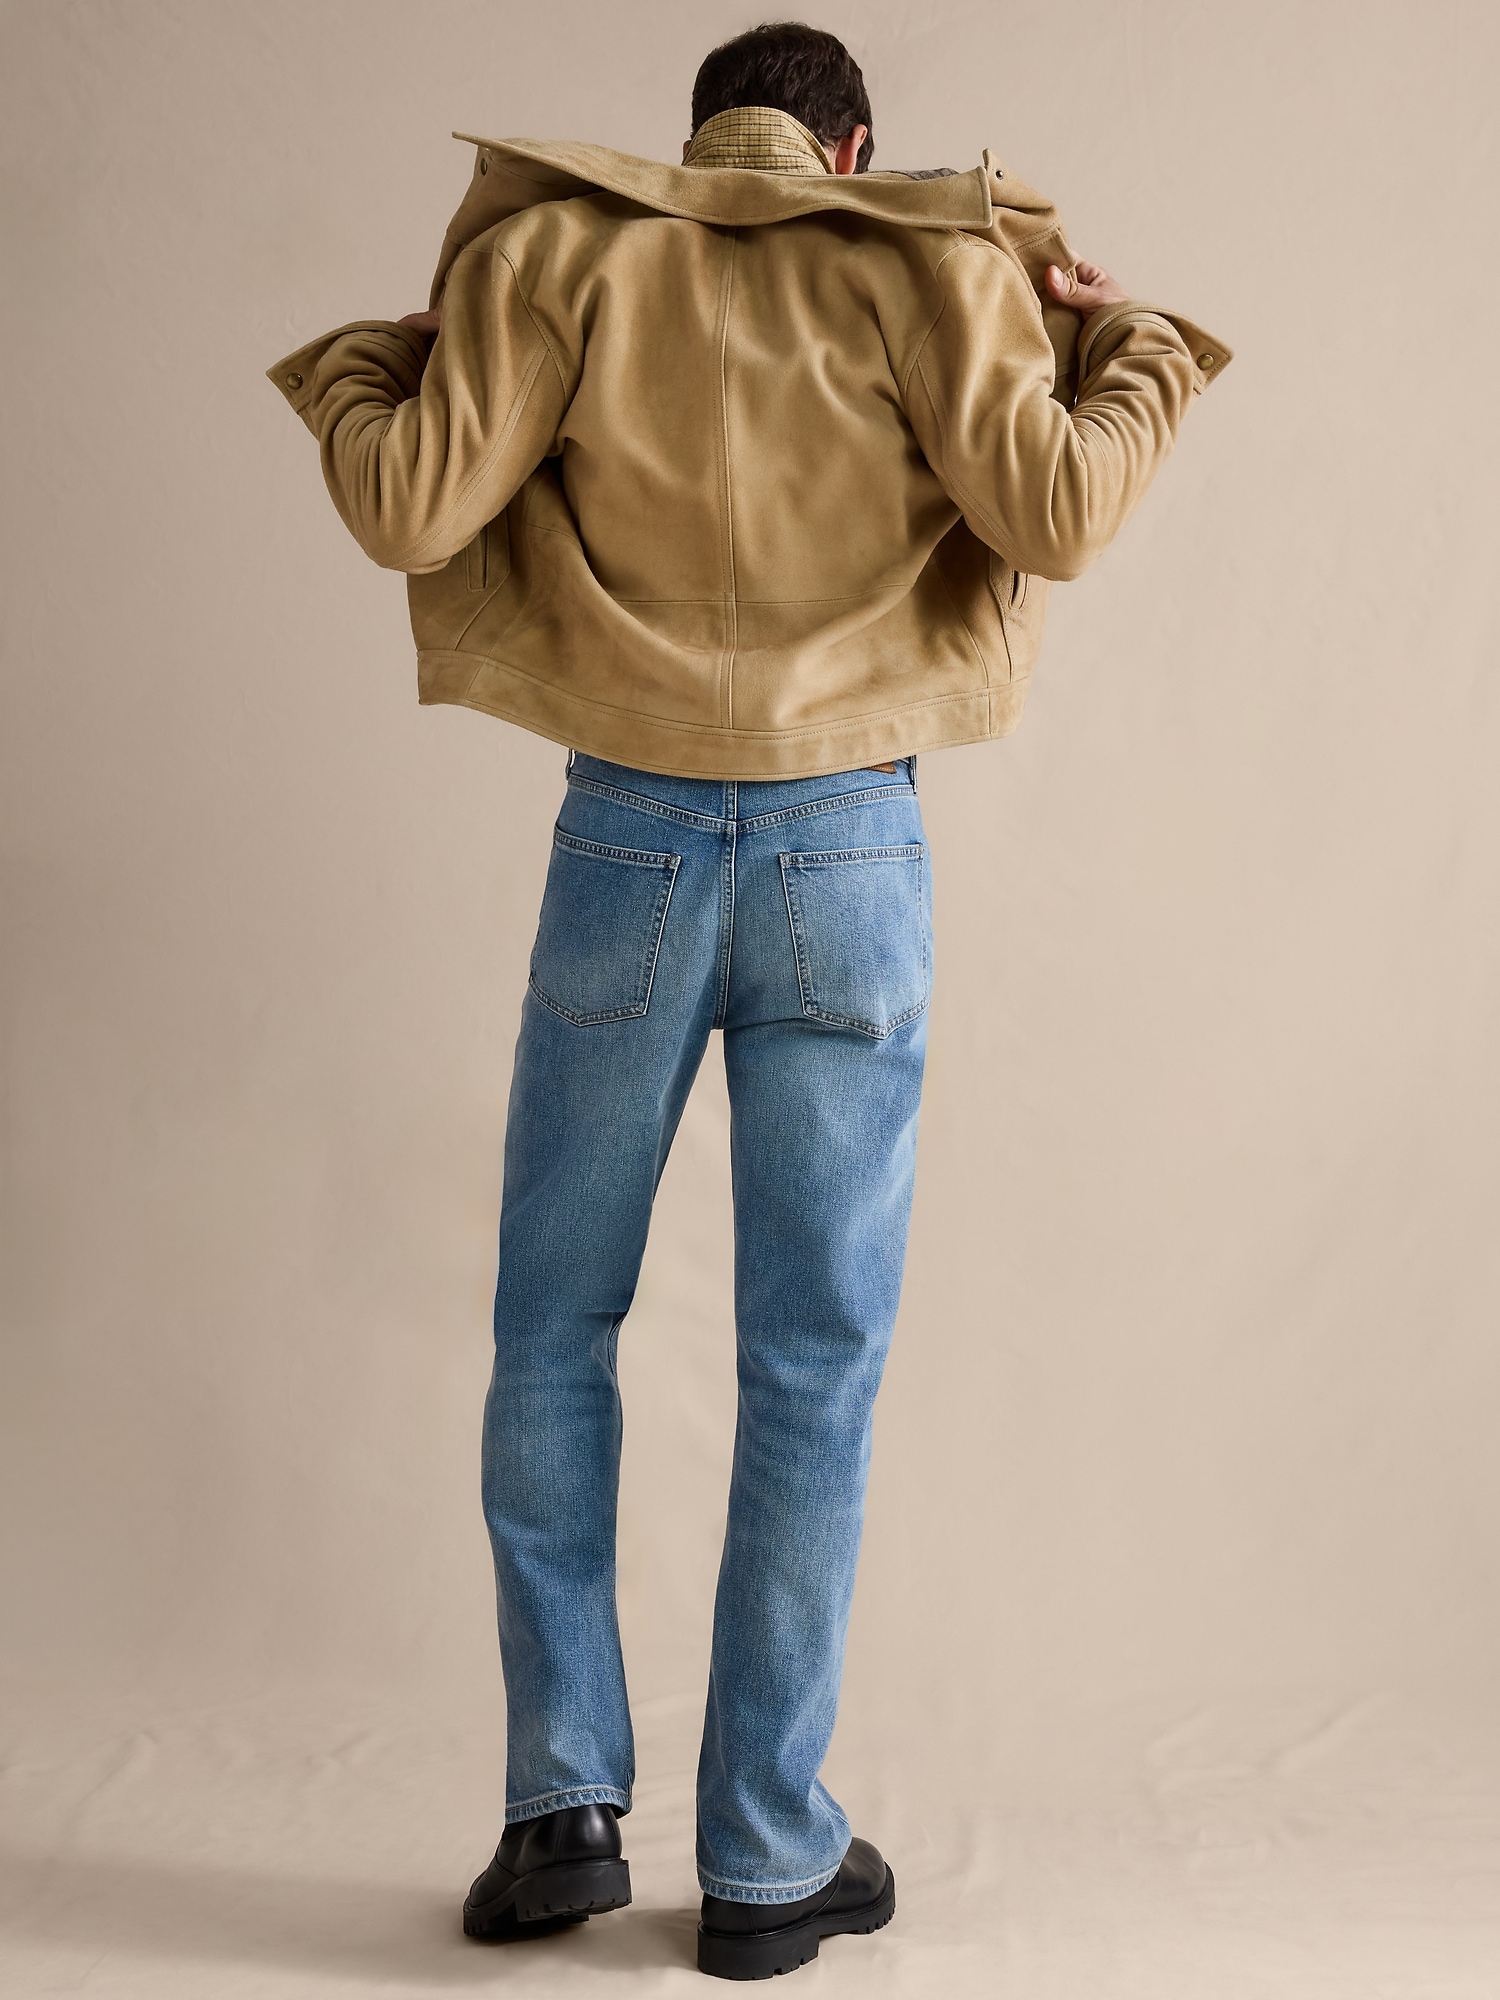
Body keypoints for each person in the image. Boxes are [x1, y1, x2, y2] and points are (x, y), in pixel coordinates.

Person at [268, 19, 1229, 1981]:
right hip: (844, 851)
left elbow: (404, 506)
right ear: (849, 146)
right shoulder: (924, 264)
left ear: (700, 134)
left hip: (623, 845)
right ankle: (771, 1859)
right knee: (813, 1360)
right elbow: (1058, 513)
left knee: (553, 1326)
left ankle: (560, 1811)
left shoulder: (561, 257)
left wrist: (372, 362)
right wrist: (1132, 343)